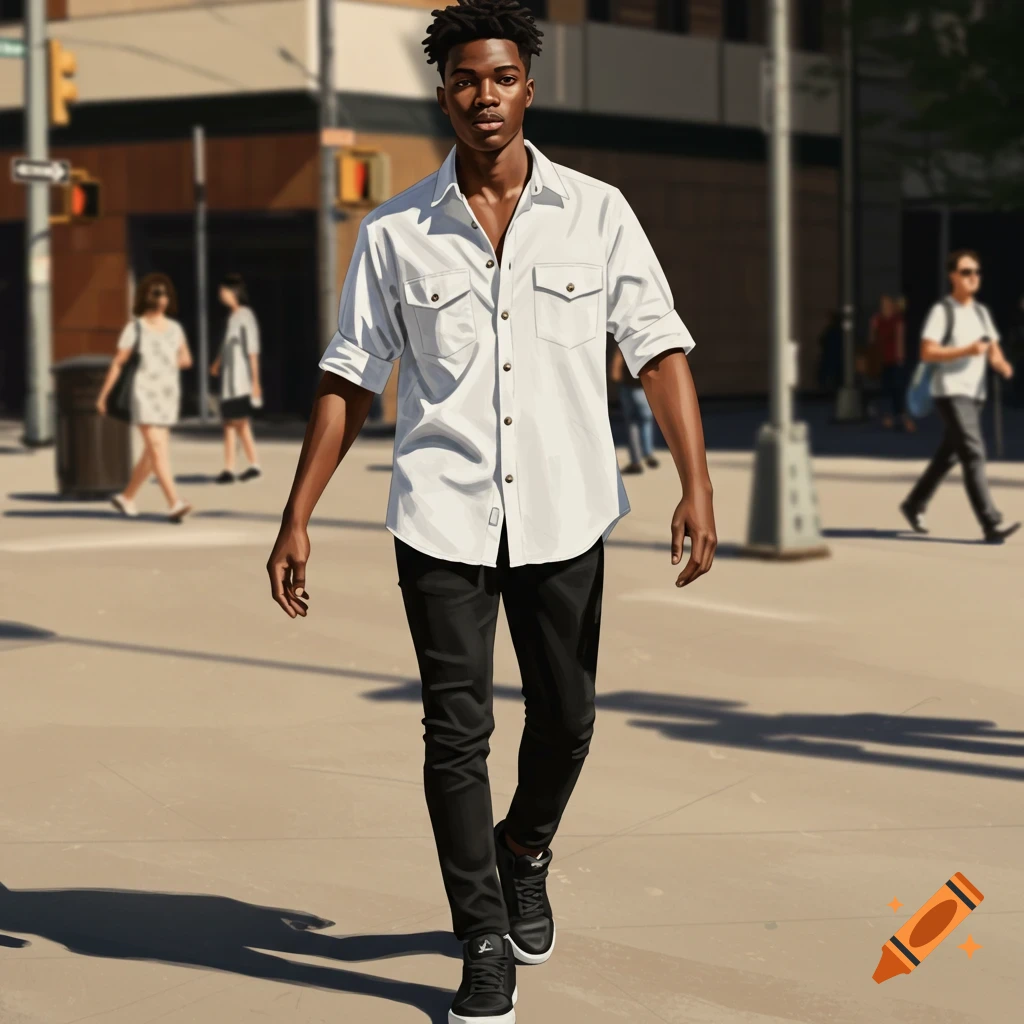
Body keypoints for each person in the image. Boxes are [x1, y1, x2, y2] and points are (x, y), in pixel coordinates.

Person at [265, 3, 717, 1021]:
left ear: (527, 87)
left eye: (502, 76)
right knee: (453, 734)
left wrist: (696, 480)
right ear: (444, 95)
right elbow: (349, 378)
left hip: (564, 512)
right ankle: (480, 938)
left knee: (566, 720)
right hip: (441, 516)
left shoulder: (597, 211)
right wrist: (295, 514)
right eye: (466, 79)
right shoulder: (393, 233)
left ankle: (523, 847)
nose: (484, 94)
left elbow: (659, 345)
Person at [900, 250, 1018, 544]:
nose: (973, 277)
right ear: (952, 275)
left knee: (949, 456)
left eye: (976, 272)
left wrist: (1001, 363)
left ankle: (914, 503)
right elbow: (927, 351)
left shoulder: (981, 312)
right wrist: (966, 351)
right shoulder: (943, 311)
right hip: (950, 392)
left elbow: (992, 346)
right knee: (974, 453)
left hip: (975, 394)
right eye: (966, 272)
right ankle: (991, 522)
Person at [96, 272, 193, 523]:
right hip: (143, 393)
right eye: (155, 293)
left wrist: (168, 360)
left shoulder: (175, 328)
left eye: (163, 293)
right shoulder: (134, 327)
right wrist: (104, 395)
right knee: (158, 449)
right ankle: (174, 503)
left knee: (152, 453)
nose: (160, 298)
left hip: (168, 394)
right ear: (146, 296)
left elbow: (186, 359)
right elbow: (118, 363)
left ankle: (126, 497)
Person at [210, 273, 263, 483]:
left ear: (233, 292)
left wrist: (256, 382)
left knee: (236, 424)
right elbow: (226, 346)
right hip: (229, 383)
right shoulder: (232, 317)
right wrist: (216, 364)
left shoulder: (245, 316)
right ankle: (240, 466)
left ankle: (242, 466)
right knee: (234, 425)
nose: (220, 295)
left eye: (223, 291)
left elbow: (252, 351)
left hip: (240, 382)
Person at [609, 344, 659, 473]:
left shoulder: (624, 341)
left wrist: (616, 376)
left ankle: (636, 461)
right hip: (642, 387)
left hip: (628, 385)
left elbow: (617, 363)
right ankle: (648, 453)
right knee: (646, 420)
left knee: (632, 423)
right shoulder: (646, 342)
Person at [870, 294, 914, 431]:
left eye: (887, 304)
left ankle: (902, 416)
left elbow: (900, 339)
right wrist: (871, 326)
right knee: (885, 388)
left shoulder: (898, 320)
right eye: (883, 305)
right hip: (882, 359)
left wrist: (900, 357)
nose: (885, 307)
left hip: (895, 359)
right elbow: (871, 339)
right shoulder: (877, 319)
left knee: (898, 388)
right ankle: (888, 416)